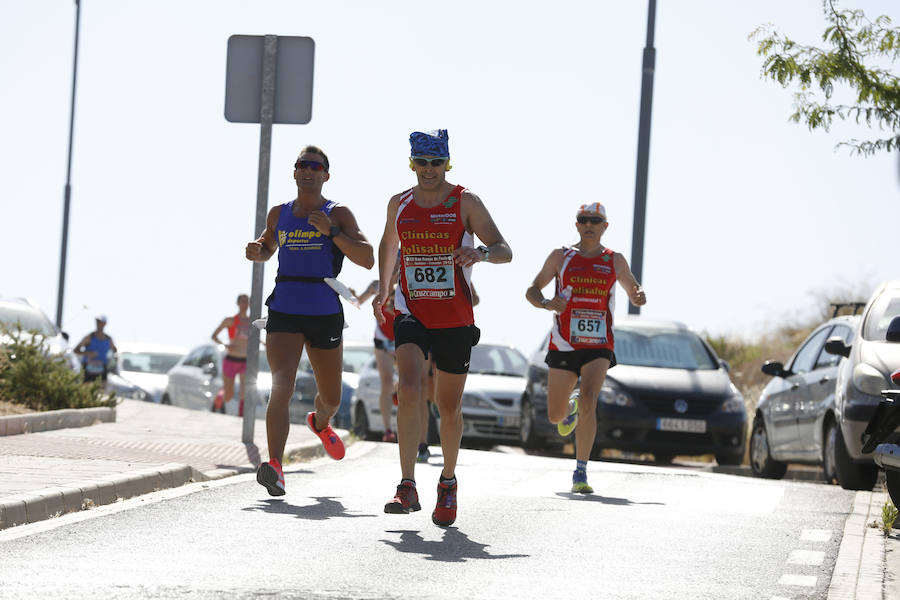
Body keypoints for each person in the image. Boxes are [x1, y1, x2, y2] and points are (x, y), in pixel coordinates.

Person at [373, 129, 512, 526]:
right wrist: (385, 289)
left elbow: (505, 249)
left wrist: (480, 253)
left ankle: (447, 482)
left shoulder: (465, 200)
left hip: (454, 317)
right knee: (410, 387)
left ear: (446, 163)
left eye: (436, 162)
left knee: (448, 406)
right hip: (411, 309)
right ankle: (406, 484)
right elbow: (389, 244)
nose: (428, 170)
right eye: (422, 162)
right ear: (412, 162)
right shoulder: (398, 203)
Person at [246, 145, 374, 496]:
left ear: (325, 175)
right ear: (295, 172)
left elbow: (367, 259)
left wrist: (332, 232)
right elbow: (268, 246)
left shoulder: (338, 212)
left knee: (331, 398)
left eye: (315, 167)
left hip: (323, 310)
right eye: (302, 165)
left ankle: (320, 422)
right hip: (285, 305)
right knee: (280, 385)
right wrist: (258, 251)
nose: (308, 170)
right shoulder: (279, 213)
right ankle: (275, 466)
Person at [525, 202, 646, 493]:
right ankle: (571, 405)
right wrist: (546, 303)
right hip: (564, 343)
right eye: (584, 219)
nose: (589, 224)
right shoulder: (560, 256)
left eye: (596, 220)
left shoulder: (614, 259)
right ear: (576, 225)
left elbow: (632, 287)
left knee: (591, 400)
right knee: (555, 416)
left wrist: (638, 294)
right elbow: (532, 290)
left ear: (605, 227)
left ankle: (580, 472)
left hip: (599, 343)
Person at [355, 279, 400, 443]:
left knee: (406, 383)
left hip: (404, 337)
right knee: (386, 383)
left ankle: (397, 393)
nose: (395, 268)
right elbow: (359, 301)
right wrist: (352, 295)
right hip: (383, 341)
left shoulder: (408, 280)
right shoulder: (377, 284)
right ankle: (388, 430)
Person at [210, 293, 250, 415]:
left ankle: (241, 415)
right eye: (243, 301)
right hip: (231, 360)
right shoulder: (230, 321)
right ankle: (219, 398)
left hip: (244, 361)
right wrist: (225, 344)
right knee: (229, 395)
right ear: (237, 304)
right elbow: (214, 336)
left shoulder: (251, 322)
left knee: (244, 389)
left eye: (247, 301)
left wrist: (263, 342)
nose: (245, 304)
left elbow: (254, 337)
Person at [74, 315, 118, 384]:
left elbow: (114, 351)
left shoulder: (108, 339)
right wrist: (88, 353)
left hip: (102, 369)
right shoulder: (89, 337)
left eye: (100, 322)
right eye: (97, 321)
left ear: (105, 324)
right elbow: (76, 350)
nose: (98, 323)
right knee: (85, 392)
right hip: (88, 369)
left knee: (102, 392)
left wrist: (114, 359)